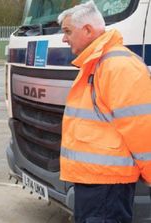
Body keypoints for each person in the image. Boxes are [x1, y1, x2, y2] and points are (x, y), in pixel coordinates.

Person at [57, 1, 151, 222]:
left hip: (107, 186)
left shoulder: (117, 65)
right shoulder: (98, 63)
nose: (64, 38)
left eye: (68, 32)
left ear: (88, 30)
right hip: (96, 182)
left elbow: (141, 126)